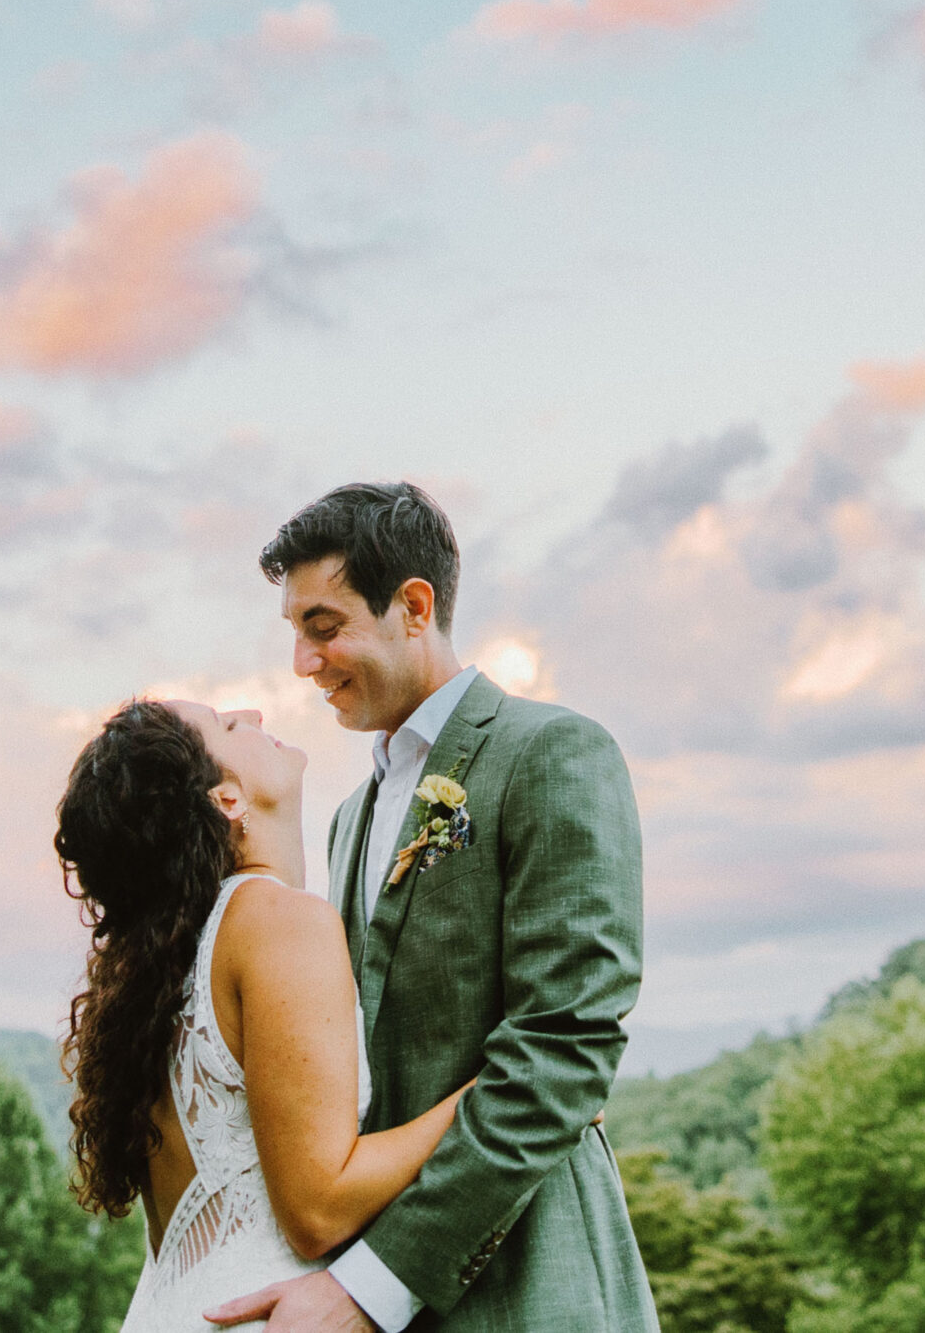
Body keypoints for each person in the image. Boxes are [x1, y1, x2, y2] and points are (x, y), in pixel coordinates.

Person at [208, 482, 659, 1332]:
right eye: (295, 633)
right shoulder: (349, 820)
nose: (303, 663)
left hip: (530, 1283)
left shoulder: (550, 752)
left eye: (323, 626)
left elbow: (565, 1046)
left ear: (413, 606)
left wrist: (369, 1289)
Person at [56, 696, 474, 1331]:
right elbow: (318, 1210)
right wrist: (493, 1090)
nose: (250, 714)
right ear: (226, 798)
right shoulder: (276, 919)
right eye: (227, 726)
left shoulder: (180, 957)